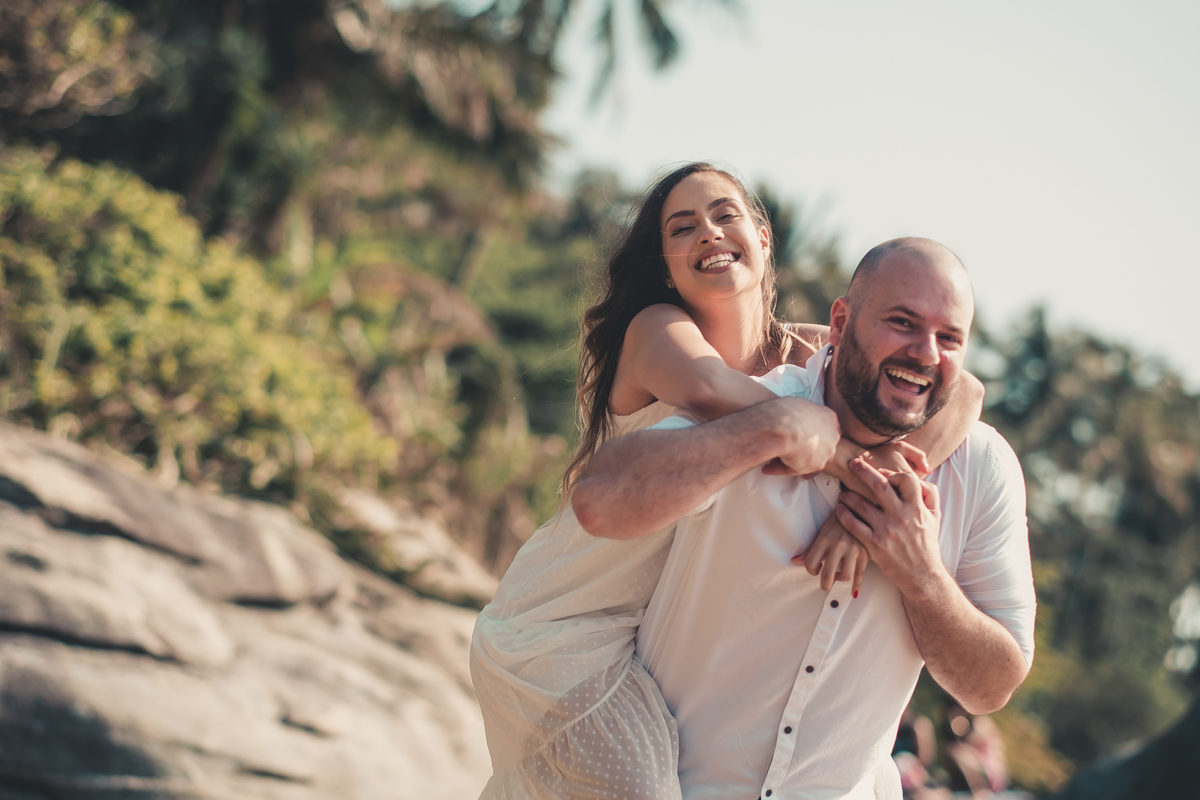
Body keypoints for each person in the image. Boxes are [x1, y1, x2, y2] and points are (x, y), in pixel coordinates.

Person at [470, 166, 981, 799]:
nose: (708, 233)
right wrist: (845, 457)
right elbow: (713, 389)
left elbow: (965, 393)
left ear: (763, 239)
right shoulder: (658, 330)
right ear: (667, 267)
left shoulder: (802, 353)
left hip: (647, 648)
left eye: (724, 215)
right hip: (568, 627)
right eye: (682, 228)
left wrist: (860, 509)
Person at [573, 237, 1037, 799]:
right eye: (903, 322)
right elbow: (598, 499)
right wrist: (770, 431)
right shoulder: (758, 405)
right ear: (840, 322)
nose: (926, 352)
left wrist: (922, 575)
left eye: (950, 338)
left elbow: (992, 687)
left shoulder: (983, 471)